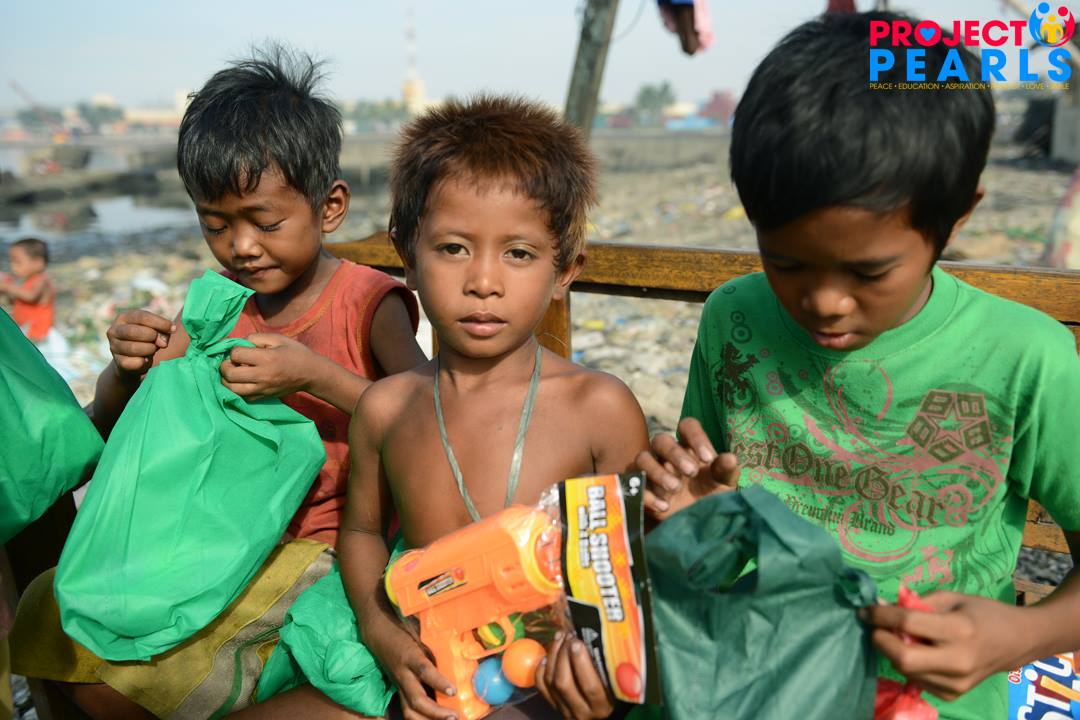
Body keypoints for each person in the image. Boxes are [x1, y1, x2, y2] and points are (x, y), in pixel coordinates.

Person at [636, 12, 1080, 720]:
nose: (824, 302)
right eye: (785, 263)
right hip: (746, 685)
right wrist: (688, 523)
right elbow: (709, 525)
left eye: (869, 272)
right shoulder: (735, 320)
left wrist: (1020, 637)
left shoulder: (1028, 360)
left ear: (956, 216)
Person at [9, 46, 425, 719]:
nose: (242, 246)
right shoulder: (218, 304)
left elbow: (430, 417)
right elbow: (118, 423)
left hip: (324, 547)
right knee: (54, 611)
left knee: (135, 681)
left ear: (330, 207)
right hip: (213, 537)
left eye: (266, 222)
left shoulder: (367, 304)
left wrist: (317, 375)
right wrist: (126, 369)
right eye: (215, 224)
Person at [337, 95, 650, 720]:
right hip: (432, 665)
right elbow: (362, 531)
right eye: (454, 248)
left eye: (519, 254)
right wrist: (382, 633)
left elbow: (635, 577)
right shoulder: (387, 408)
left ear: (565, 270)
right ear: (407, 256)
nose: (484, 282)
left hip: (555, 686)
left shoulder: (598, 408)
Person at [0, 237, 56, 343]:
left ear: (38, 263)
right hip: (27, 333)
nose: (13, 266)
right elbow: (17, 302)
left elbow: (31, 296)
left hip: (40, 335)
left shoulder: (41, 280)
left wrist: (8, 287)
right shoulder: (25, 282)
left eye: (17, 262)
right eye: (11, 261)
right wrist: (7, 293)